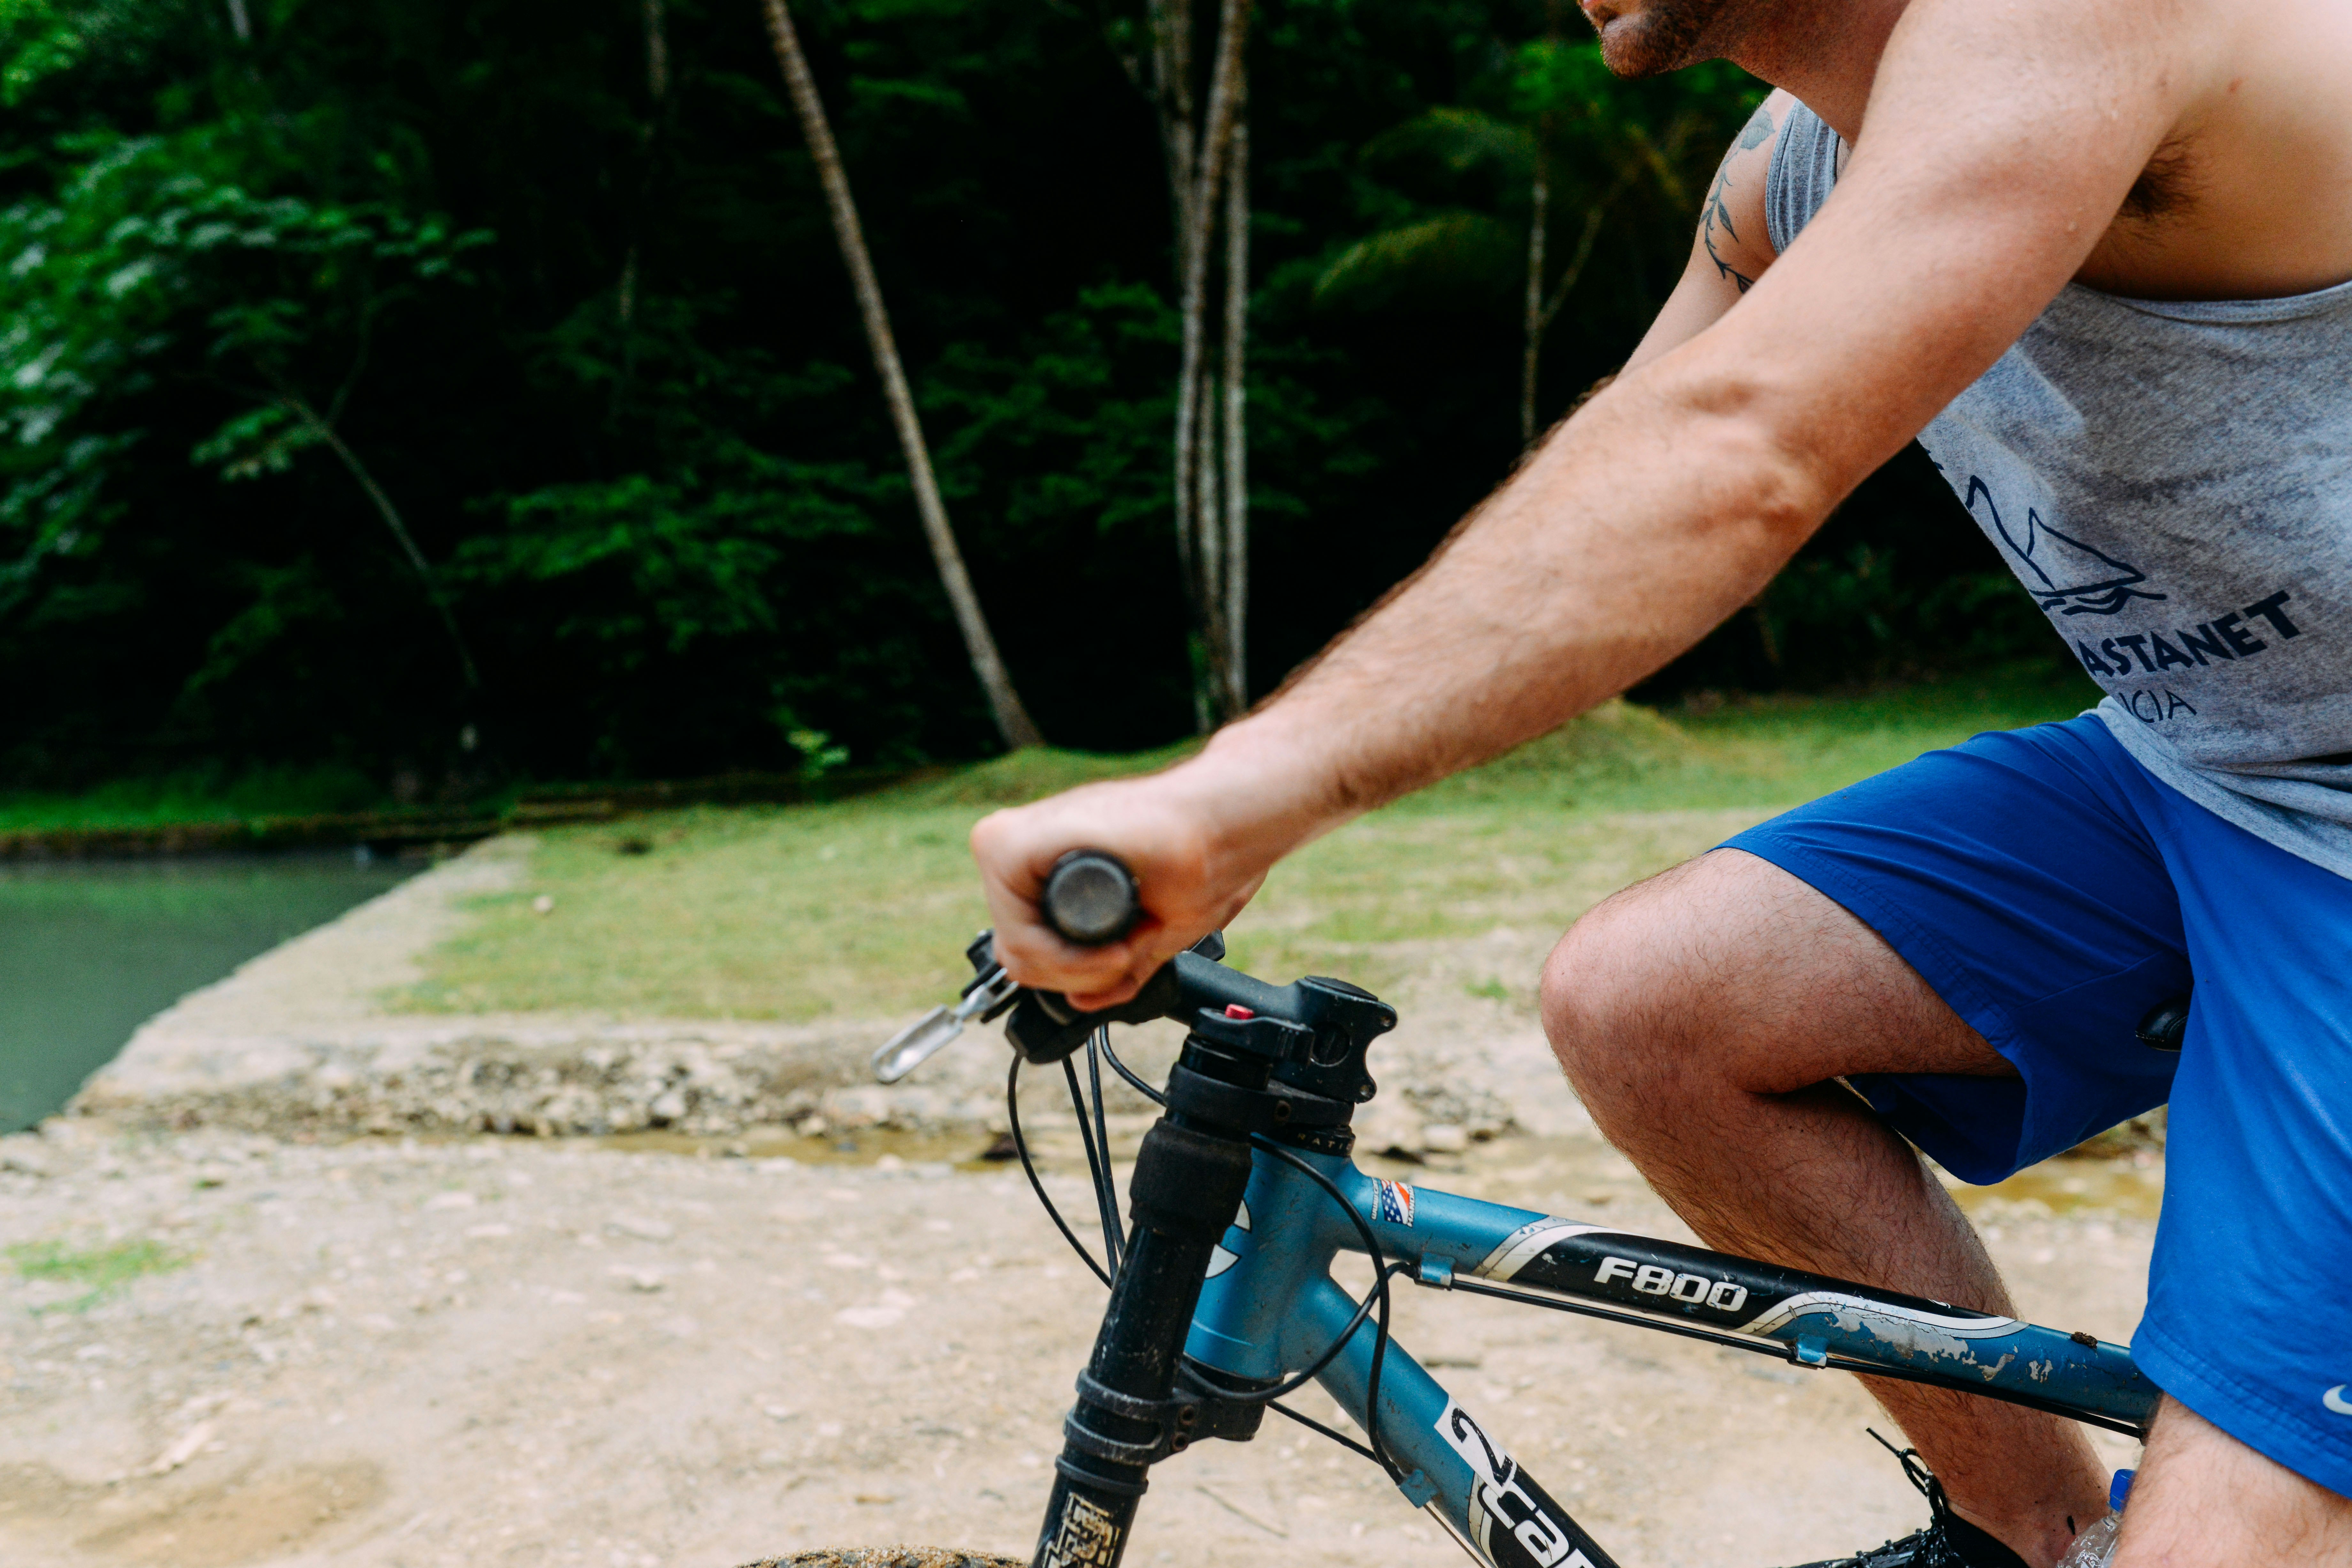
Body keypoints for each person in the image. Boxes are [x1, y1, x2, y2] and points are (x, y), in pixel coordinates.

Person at [969, 0, 2352, 1561]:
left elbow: (1739, 452)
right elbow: (1624, 473)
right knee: (1656, 1005)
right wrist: (1235, 826)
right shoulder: (1787, 173)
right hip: (2204, 768)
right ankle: (2040, 1538)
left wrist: (1247, 790)